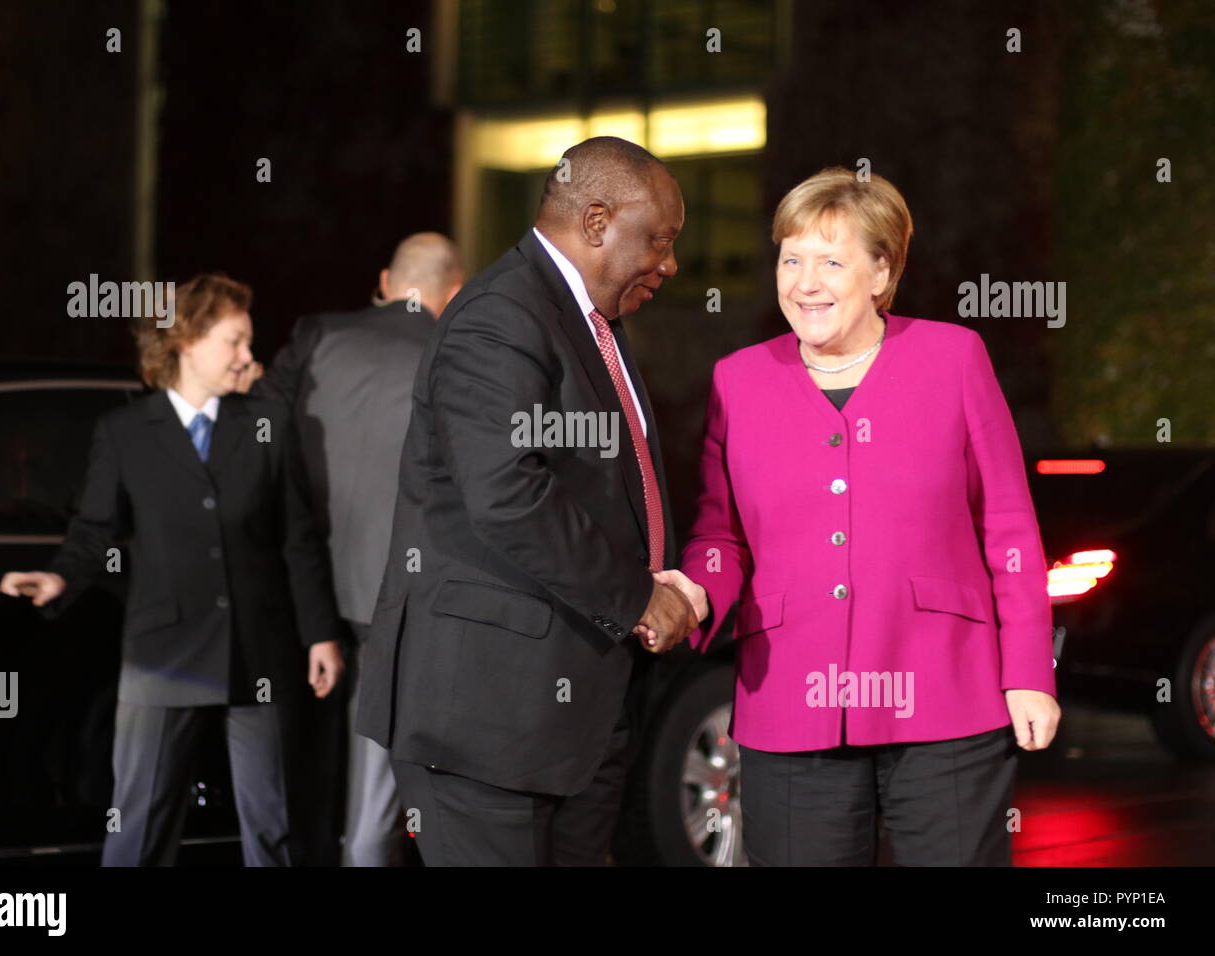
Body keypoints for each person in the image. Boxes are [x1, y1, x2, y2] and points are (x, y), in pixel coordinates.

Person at [663, 167, 1059, 866]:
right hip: (790, 704)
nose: (805, 281)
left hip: (946, 700)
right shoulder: (739, 380)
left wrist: (1027, 670)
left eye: (831, 261)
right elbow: (720, 532)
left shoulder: (954, 357)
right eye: (792, 259)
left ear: (881, 271)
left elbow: (1008, 524)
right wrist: (697, 591)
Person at [356, 136, 699, 866]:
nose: (670, 263)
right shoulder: (499, 317)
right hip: (487, 720)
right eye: (661, 240)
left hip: (566, 716)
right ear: (598, 220)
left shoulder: (590, 322)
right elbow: (508, 493)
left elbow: (601, 489)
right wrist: (636, 596)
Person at [0, 273, 345, 866]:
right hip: (163, 651)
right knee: (140, 825)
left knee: (274, 824)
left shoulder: (269, 427)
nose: (248, 357)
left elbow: (297, 540)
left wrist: (319, 632)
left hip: (256, 653)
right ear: (186, 340)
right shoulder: (126, 432)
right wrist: (60, 577)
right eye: (235, 342)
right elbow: (93, 529)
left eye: (248, 343)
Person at [248, 232, 464, 866]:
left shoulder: (315, 335)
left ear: (384, 280)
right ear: (452, 296)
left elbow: (260, 443)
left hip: (301, 596)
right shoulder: (452, 352)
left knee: (298, 781)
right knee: (376, 797)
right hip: (398, 603)